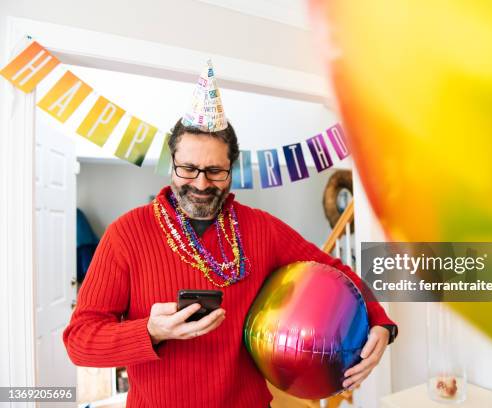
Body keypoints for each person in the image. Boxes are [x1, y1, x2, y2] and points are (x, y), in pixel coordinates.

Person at [63, 61, 397, 408]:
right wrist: (150, 330)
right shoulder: (126, 234)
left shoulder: (260, 228)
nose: (202, 184)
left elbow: (337, 270)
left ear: (231, 169)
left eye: (215, 171)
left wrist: (380, 323)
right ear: (171, 164)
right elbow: (79, 341)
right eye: (189, 169)